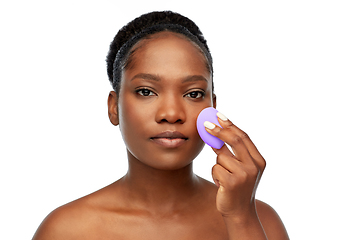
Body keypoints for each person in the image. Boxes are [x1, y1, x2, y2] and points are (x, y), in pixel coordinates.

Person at [32, 11, 289, 240]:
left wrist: (240, 219)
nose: (171, 114)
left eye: (193, 93)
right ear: (114, 107)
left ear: (213, 106)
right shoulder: (65, 231)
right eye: (146, 91)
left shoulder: (262, 222)